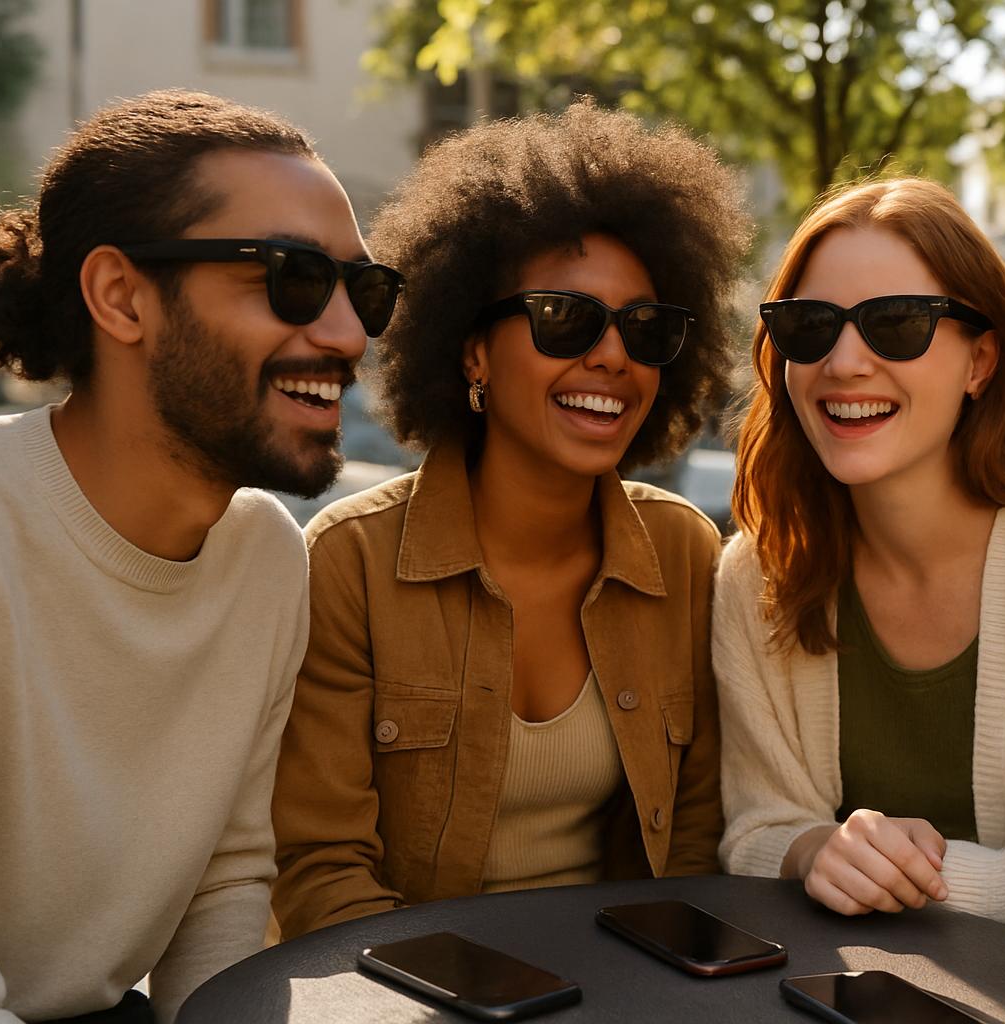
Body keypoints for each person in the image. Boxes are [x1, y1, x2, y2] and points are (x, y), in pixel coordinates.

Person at [269, 102, 752, 938]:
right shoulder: (349, 563)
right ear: (472, 350)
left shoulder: (683, 550)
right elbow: (320, 869)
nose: (611, 356)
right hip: (408, 988)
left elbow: (697, 845)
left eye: (644, 330)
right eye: (565, 318)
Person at [0, 91, 394, 1022]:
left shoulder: (266, 556)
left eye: (365, 291)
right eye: (294, 277)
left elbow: (226, 880)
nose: (346, 335)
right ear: (121, 297)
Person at [714, 176, 1005, 927]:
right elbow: (757, 827)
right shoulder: (761, 569)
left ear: (980, 362)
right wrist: (815, 853)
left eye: (895, 323)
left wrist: (902, 878)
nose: (843, 364)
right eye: (809, 325)